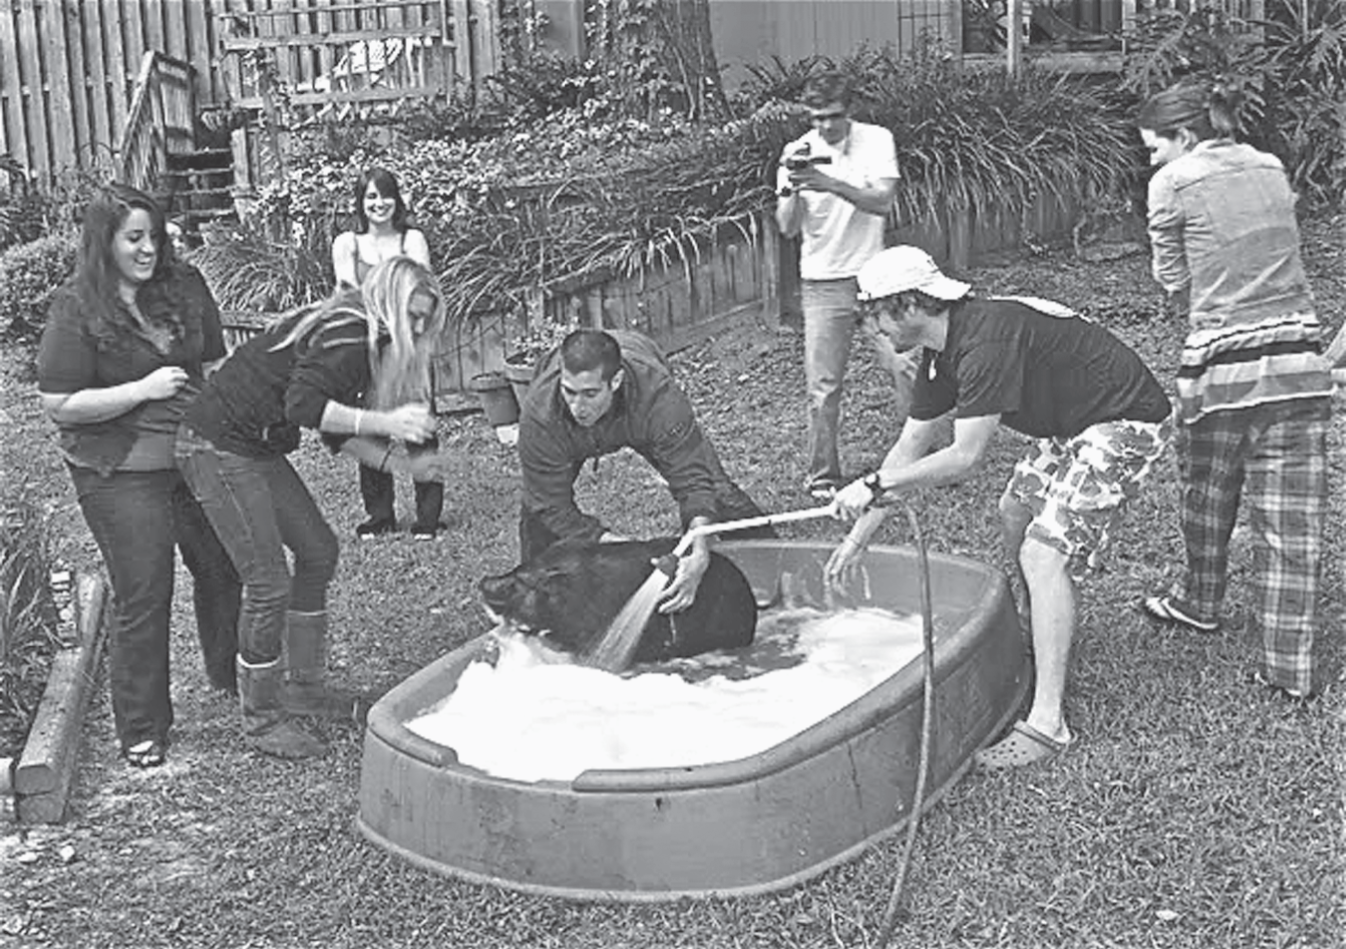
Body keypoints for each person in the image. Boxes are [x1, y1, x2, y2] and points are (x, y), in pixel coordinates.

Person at [827, 246, 1173, 769]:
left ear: (908, 305)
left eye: (873, 315)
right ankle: (1039, 626)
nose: (871, 329)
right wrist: (857, 538)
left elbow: (964, 457)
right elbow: (910, 447)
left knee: (1043, 554)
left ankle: (1048, 725)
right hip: (1074, 424)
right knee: (1015, 510)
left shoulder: (983, 340)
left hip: (1124, 420)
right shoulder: (943, 353)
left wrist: (875, 483)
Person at [176, 257, 450, 759]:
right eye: (411, 313)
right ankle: (261, 719)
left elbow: (331, 429)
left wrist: (405, 466)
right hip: (215, 445)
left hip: (252, 445)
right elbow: (304, 406)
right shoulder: (349, 334)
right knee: (266, 581)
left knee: (317, 549)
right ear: (387, 299)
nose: (415, 327)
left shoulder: (362, 338)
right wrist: (388, 423)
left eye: (423, 320)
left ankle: (303, 687)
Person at [1135, 83, 1333, 700]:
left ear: (1185, 138)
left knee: (1206, 491)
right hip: (1300, 369)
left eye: (1154, 148)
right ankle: (1289, 673)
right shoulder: (1271, 166)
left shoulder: (1173, 183)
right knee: (1291, 527)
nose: (1151, 161)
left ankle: (1200, 602)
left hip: (1221, 370)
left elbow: (1171, 279)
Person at [36, 184, 242, 769]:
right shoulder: (76, 307)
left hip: (195, 457)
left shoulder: (184, 286)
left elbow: (216, 361)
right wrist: (139, 391)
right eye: (134, 238)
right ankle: (143, 727)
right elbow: (59, 402)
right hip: (118, 471)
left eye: (154, 235)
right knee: (145, 592)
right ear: (105, 242)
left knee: (224, 565)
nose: (149, 249)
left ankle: (227, 674)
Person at [517, 328, 774, 615]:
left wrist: (700, 549)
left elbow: (692, 479)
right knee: (538, 518)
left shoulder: (659, 396)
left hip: (641, 399)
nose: (578, 407)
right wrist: (625, 550)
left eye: (590, 394)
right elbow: (550, 505)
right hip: (565, 437)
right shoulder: (540, 415)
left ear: (615, 381)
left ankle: (771, 575)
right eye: (569, 392)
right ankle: (533, 601)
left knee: (718, 492)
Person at [775, 70, 910, 501]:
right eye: (815, 118)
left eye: (832, 117)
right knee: (823, 386)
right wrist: (794, 190)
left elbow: (882, 202)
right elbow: (787, 227)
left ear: (848, 110)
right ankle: (822, 477)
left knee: (904, 366)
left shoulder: (877, 140)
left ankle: (914, 464)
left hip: (875, 278)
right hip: (821, 283)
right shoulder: (796, 152)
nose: (824, 127)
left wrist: (829, 183)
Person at [330, 167, 444, 539]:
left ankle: (428, 518)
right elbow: (347, 297)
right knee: (371, 433)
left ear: (397, 199)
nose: (379, 204)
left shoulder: (412, 240)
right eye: (371, 197)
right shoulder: (347, 243)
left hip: (409, 348)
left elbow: (421, 292)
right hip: (365, 350)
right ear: (361, 203)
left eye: (385, 195)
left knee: (420, 432)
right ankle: (380, 517)